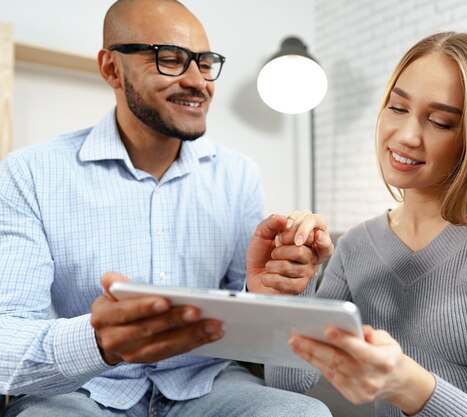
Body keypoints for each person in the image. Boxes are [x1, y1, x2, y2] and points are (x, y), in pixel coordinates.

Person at [0, 0, 333, 416]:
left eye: (206, 63)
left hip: (207, 385)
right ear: (111, 69)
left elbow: (259, 336)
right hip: (83, 390)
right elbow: (5, 340)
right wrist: (99, 340)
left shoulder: (238, 175)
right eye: (170, 59)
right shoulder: (29, 173)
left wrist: (272, 294)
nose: (198, 81)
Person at [263, 32, 467, 417]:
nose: (407, 136)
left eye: (440, 121)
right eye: (397, 108)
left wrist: (406, 384)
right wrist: (294, 286)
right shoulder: (356, 245)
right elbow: (287, 384)